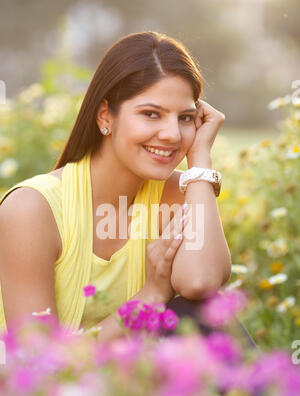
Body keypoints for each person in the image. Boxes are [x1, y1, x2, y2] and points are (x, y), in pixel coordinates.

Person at [0, 31, 236, 344]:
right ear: (104, 116)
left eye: (185, 118)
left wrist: (201, 160)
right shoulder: (32, 209)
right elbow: (38, 368)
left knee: (199, 313)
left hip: (138, 386)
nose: (172, 135)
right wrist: (151, 295)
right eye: (151, 114)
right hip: (53, 389)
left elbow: (200, 282)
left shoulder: (181, 192)